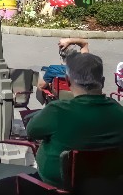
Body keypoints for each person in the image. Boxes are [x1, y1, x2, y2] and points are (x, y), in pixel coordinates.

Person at [26, 53, 123, 190]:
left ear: (68, 80)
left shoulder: (57, 110)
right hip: (108, 187)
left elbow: (31, 131)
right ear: (102, 81)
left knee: (3, 186)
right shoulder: (119, 111)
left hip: (56, 187)